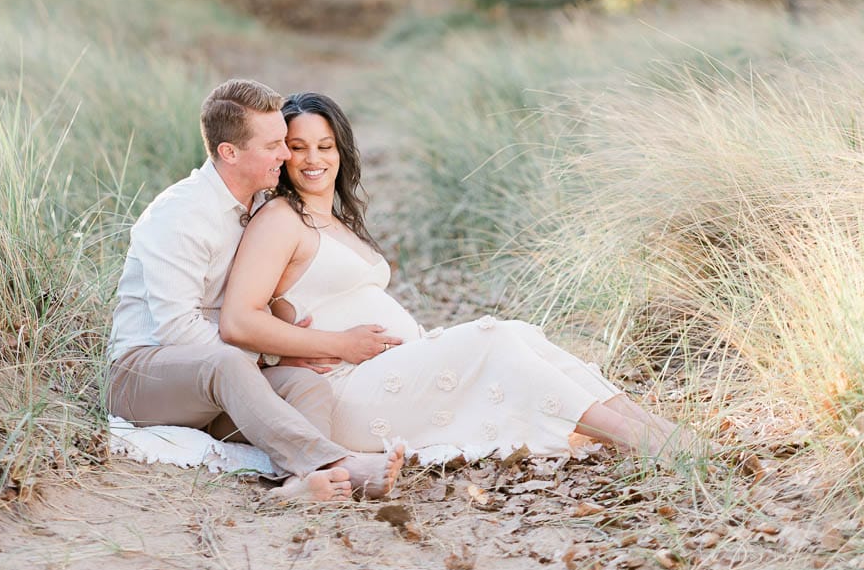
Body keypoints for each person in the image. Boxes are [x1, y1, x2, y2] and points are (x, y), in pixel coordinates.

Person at [219, 91, 691, 465]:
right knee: (493, 341)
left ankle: (650, 427)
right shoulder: (280, 218)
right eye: (298, 148)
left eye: (325, 146)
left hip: (387, 373)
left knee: (517, 334)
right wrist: (335, 344)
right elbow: (238, 321)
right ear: (282, 154)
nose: (312, 159)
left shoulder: (334, 220)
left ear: (341, 150)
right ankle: (634, 439)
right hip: (347, 392)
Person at [106, 77, 405, 502]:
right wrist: (271, 354)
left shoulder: (260, 207)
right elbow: (177, 331)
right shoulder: (180, 215)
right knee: (227, 363)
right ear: (229, 152)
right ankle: (337, 464)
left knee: (306, 385)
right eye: (273, 146)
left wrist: (289, 341)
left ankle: (299, 485)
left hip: (217, 387)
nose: (286, 155)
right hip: (145, 380)